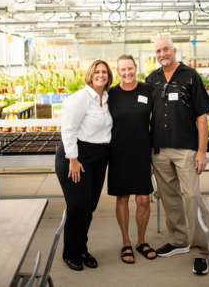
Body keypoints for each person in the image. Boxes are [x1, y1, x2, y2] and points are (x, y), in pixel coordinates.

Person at [145, 36, 209, 275]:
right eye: (158, 51)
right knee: (169, 198)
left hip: (186, 149)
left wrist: (202, 152)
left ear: (174, 50)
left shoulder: (190, 76)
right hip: (159, 149)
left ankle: (200, 252)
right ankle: (179, 241)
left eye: (166, 49)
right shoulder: (151, 80)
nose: (162, 53)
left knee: (192, 197)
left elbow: (202, 116)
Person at [55, 60, 113, 271]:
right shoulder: (79, 99)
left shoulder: (105, 98)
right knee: (78, 207)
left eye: (104, 72)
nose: (101, 75)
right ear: (90, 75)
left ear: (109, 76)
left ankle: (81, 248)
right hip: (77, 157)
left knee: (89, 207)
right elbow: (68, 130)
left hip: (98, 157)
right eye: (97, 71)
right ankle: (70, 253)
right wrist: (73, 159)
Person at [108, 54, 156, 264]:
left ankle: (141, 241)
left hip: (141, 151)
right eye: (122, 69)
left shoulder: (147, 90)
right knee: (123, 198)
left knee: (144, 199)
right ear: (117, 72)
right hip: (118, 151)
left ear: (136, 68)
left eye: (130, 68)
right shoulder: (111, 94)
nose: (127, 72)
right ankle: (126, 242)